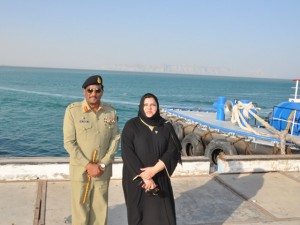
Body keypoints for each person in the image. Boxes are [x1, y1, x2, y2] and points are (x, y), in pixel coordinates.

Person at [63, 75, 120, 225]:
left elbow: (115, 139)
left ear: (102, 91)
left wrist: (102, 164)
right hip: (81, 171)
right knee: (80, 212)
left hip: (103, 170)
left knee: (100, 211)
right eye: (90, 90)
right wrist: (88, 165)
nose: (93, 93)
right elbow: (69, 143)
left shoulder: (110, 112)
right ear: (84, 91)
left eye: (97, 90)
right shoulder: (73, 111)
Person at [121, 93, 181, 225]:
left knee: (163, 216)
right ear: (141, 106)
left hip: (160, 177)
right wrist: (146, 177)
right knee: (138, 215)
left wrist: (153, 171)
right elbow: (127, 152)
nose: (149, 108)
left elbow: (173, 151)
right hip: (136, 179)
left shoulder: (166, 126)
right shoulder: (131, 125)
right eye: (146, 105)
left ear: (157, 107)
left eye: (152, 105)